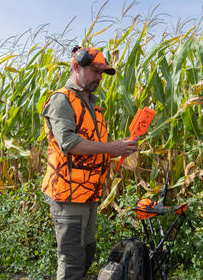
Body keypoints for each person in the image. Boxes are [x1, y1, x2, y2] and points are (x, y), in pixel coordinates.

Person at [41, 46, 139, 279]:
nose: (99, 77)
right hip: (68, 193)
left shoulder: (94, 106)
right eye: (95, 71)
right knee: (72, 259)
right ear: (76, 67)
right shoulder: (62, 100)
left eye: (102, 73)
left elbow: (95, 148)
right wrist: (111, 147)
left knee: (87, 253)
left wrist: (121, 148)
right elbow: (70, 143)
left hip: (89, 194)